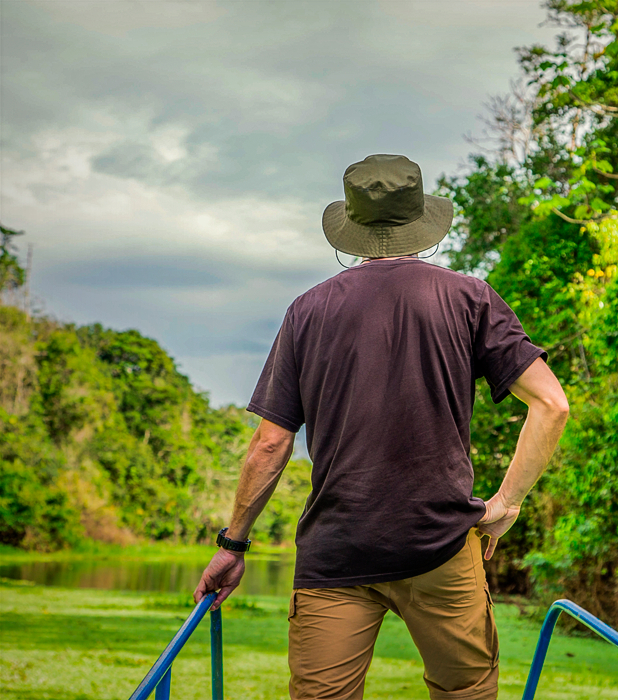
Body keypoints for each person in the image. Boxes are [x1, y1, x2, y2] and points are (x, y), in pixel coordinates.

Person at [193, 153, 569, 700]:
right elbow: (552, 404)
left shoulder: (307, 310)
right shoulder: (469, 298)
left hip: (336, 554)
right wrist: (505, 504)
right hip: (441, 546)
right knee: (465, 691)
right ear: (422, 224)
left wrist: (234, 544)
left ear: (353, 228)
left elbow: (272, 442)